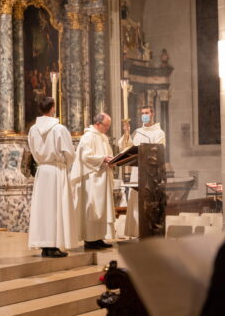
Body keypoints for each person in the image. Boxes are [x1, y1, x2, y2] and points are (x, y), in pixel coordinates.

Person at [28, 97, 77, 258]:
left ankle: (45, 245)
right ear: (53, 108)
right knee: (56, 208)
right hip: (56, 170)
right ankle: (54, 244)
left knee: (43, 209)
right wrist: (66, 163)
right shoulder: (59, 129)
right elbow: (69, 153)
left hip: (42, 170)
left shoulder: (33, 129)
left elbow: (33, 150)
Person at [118, 105, 166, 237]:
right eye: (142, 113)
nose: (144, 115)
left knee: (149, 204)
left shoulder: (159, 133)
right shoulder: (137, 132)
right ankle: (136, 232)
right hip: (137, 172)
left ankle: (148, 232)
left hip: (151, 175)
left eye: (146, 113)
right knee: (136, 204)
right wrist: (127, 133)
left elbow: (160, 151)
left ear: (152, 114)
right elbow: (127, 148)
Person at [70, 113, 115, 249]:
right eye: (106, 125)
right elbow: (86, 157)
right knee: (92, 208)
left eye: (108, 126)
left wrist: (112, 160)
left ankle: (98, 238)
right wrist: (103, 159)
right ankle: (90, 239)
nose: (107, 128)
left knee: (102, 208)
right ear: (98, 123)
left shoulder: (102, 137)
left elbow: (109, 154)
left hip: (102, 177)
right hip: (91, 180)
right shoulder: (87, 137)